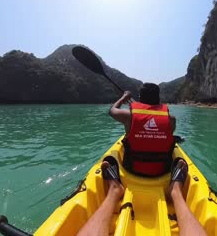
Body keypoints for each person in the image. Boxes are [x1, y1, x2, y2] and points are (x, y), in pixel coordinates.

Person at [77, 83, 207, 236]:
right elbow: (159, 130)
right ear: (158, 100)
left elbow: (111, 111)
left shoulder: (129, 117)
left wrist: (124, 98)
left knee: (111, 155)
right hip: (162, 170)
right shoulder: (171, 119)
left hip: (132, 168)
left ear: (140, 99)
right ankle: (175, 190)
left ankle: (115, 189)